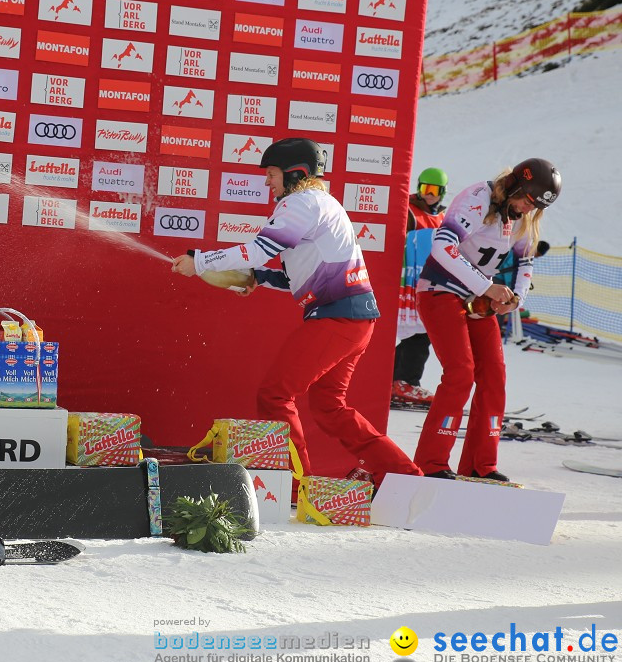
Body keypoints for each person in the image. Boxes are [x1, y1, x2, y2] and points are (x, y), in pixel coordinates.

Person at [171, 137, 421, 484]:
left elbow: (258, 250)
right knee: (329, 408)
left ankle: (294, 483)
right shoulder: (320, 203)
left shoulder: (301, 203)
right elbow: (296, 278)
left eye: (271, 173)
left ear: (295, 173)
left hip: (337, 318)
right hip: (354, 319)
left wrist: (199, 261)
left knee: (274, 393)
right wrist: (258, 278)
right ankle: (404, 474)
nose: (266, 181)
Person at [413, 158, 561, 482]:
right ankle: (431, 461)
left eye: (534, 207)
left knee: (494, 375)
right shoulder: (479, 197)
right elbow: (442, 245)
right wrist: (487, 286)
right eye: (526, 200)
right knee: (461, 373)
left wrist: (518, 297)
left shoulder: (521, 216)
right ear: (515, 186)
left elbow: (525, 261)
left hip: (478, 300)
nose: (526, 209)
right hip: (441, 290)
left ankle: (481, 464)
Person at [393, 167, 449, 405]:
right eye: (425, 188)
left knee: (421, 331)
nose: (429, 194)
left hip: (429, 281)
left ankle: (398, 381)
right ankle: (404, 381)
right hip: (406, 281)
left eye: (435, 190)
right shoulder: (408, 210)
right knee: (416, 331)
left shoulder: (444, 216)